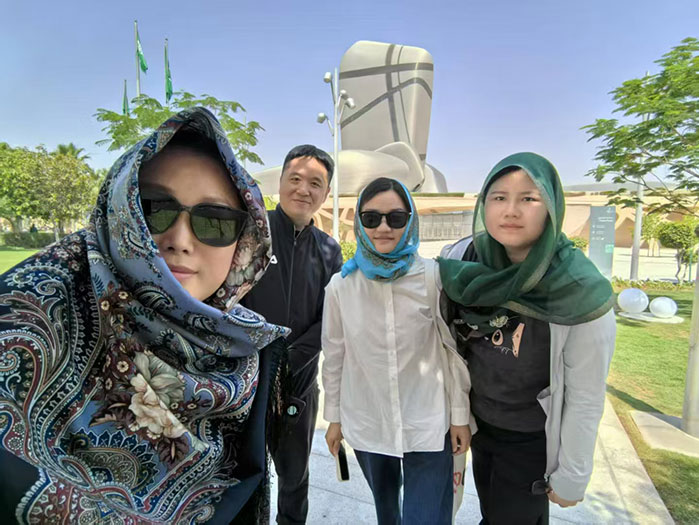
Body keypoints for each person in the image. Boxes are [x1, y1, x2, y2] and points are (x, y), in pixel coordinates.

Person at [0, 107, 288, 524]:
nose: (180, 240)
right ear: (118, 211)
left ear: (244, 243)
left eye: (216, 220)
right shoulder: (24, 318)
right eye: (152, 208)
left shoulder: (248, 353)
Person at [438, 152, 617, 525]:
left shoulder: (578, 289)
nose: (511, 211)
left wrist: (572, 475)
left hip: (531, 437)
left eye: (529, 198)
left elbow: (586, 395)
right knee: (492, 510)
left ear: (551, 207)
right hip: (480, 424)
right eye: (499, 197)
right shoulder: (465, 262)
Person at [322, 177, 472, 525]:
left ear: (411, 220)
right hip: (368, 418)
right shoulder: (341, 287)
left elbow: (452, 352)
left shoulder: (433, 278)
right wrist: (334, 419)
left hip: (428, 420)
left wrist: (459, 416)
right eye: (371, 218)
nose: (383, 228)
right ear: (359, 222)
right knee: (387, 512)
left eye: (396, 217)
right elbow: (335, 357)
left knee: (426, 518)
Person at [241, 144, 343, 524]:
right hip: (246, 383)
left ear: (326, 193)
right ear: (281, 182)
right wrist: (261, 357)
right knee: (244, 476)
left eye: (315, 183)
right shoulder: (252, 233)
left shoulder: (329, 251)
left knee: (294, 479)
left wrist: (289, 359)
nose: (303, 189)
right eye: (295, 179)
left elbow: (332, 316)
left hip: (298, 386)